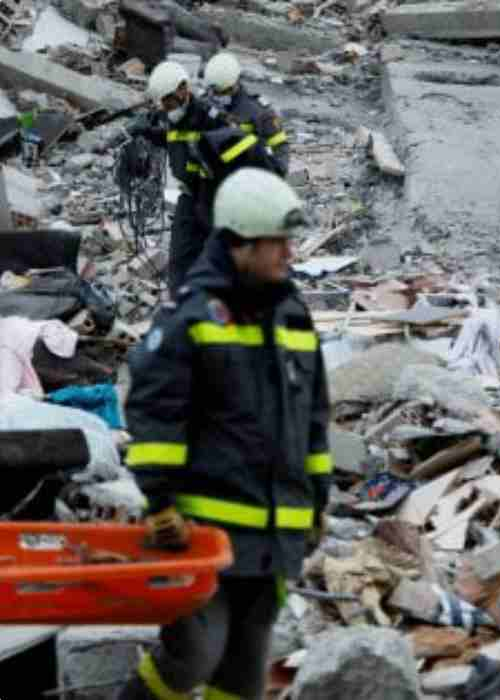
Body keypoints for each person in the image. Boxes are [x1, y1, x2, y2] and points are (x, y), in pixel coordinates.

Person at [117, 168, 331, 700]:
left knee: (240, 677)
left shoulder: (294, 319)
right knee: (194, 656)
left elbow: (313, 422)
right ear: (237, 245)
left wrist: (317, 503)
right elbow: (154, 412)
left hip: (275, 536)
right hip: (203, 535)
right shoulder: (191, 319)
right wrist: (160, 503)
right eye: (275, 242)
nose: (288, 253)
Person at [128, 62, 278, 298]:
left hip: (215, 197)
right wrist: (145, 131)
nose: (165, 108)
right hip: (189, 197)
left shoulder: (211, 116)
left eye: (168, 101)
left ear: (183, 89)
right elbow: (172, 140)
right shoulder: (172, 116)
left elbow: (243, 149)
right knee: (180, 259)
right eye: (161, 103)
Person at [204, 52, 290, 176]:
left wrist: (277, 174)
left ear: (237, 82)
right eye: (216, 92)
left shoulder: (258, 111)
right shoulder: (204, 105)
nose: (221, 96)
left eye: (226, 91)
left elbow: (279, 145)